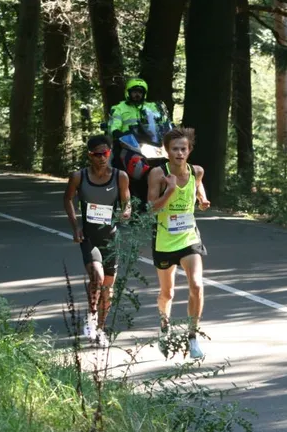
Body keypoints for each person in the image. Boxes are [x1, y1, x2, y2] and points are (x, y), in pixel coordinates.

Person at [146, 127, 210, 359]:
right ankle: (165, 327)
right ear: (167, 151)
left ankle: (192, 337)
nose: (179, 153)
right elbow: (151, 208)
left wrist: (202, 199)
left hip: (189, 237)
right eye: (175, 149)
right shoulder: (157, 174)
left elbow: (198, 185)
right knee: (168, 293)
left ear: (189, 150)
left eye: (183, 148)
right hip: (164, 240)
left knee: (196, 285)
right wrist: (170, 190)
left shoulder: (197, 171)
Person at [63, 135, 131, 347]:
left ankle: (101, 329)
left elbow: (126, 202)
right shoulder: (79, 176)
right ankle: (92, 317)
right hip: (89, 236)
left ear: (110, 153)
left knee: (108, 288)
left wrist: (126, 212)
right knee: (97, 277)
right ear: (89, 155)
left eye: (106, 153)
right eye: (97, 154)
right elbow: (67, 199)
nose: (102, 158)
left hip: (110, 238)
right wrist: (76, 227)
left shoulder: (120, 176)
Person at [108, 78, 173, 205]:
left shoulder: (152, 107)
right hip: (127, 143)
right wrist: (117, 132)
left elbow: (162, 121)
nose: (137, 94)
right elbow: (114, 126)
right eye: (134, 92)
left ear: (144, 93)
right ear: (128, 92)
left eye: (140, 92)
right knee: (115, 161)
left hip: (150, 143)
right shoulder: (119, 108)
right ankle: (115, 194)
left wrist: (170, 128)